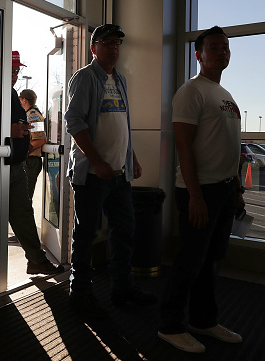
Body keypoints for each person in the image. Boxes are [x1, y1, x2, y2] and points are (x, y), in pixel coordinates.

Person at [158, 26, 243, 353]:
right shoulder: (191, 91)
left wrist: (236, 187)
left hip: (223, 190)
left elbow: (227, 145)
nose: (222, 51)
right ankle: (170, 325)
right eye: (214, 47)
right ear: (198, 55)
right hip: (200, 191)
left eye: (225, 47)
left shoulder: (225, 94)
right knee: (190, 261)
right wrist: (194, 195)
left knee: (211, 261)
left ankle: (203, 320)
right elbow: (184, 145)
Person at [65, 24, 156, 319]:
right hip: (93, 175)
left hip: (119, 174)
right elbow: (74, 122)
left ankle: (122, 288)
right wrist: (97, 162)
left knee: (125, 232)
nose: (114, 47)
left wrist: (132, 158)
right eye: (107, 42)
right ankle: (80, 292)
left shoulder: (120, 80)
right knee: (86, 235)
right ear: (94, 48)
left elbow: (122, 125)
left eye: (117, 43)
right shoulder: (85, 77)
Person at [0, 51, 64, 275]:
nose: (15, 74)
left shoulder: (12, 95)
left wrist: (21, 137)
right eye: (11, 70)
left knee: (24, 215)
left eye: (17, 70)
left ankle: (36, 260)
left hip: (15, 167)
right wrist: (6, 131)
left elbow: (34, 134)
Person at [19, 89, 47, 200]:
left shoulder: (33, 116)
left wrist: (25, 151)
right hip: (28, 161)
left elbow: (40, 139)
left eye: (20, 100)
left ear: (25, 100)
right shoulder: (28, 114)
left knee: (25, 198)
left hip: (30, 161)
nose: (20, 102)